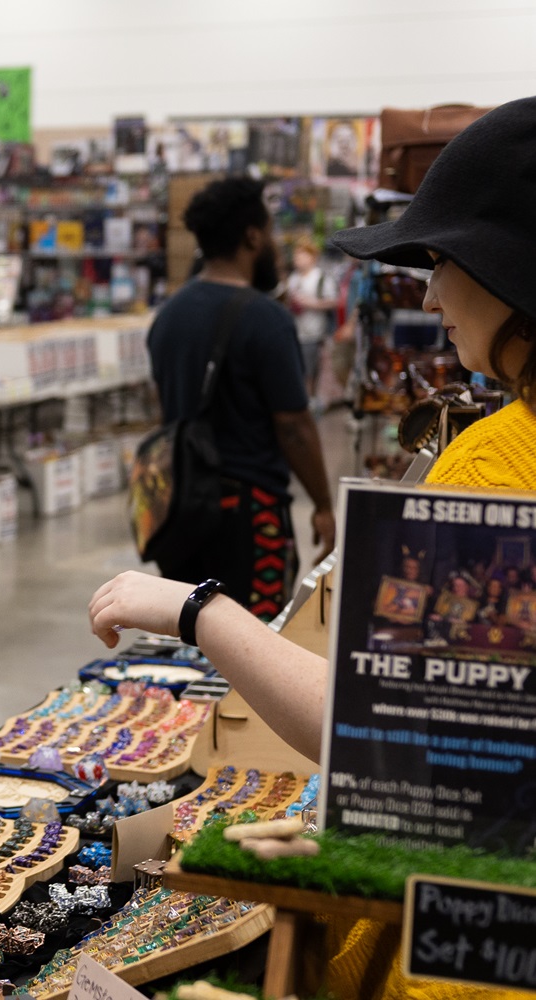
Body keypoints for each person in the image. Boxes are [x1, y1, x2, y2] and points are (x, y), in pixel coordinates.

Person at [90, 97, 536, 1000]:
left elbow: (382, 742)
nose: (429, 290)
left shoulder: (495, 469)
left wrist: (196, 611)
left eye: (442, 260)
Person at [145, 176, 336, 620]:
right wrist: (324, 505)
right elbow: (294, 427)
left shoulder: (168, 316)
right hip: (250, 519)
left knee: (189, 634)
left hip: (180, 513)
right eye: (268, 232)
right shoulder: (266, 319)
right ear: (252, 235)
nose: (272, 244)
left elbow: (166, 406)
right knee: (253, 644)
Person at [285, 238, 338, 411]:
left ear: (312, 257)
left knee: (309, 371)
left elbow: (333, 302)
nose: (297, 260)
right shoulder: (293, 279)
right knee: (297, 370)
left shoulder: (321, 278)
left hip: (314, 332)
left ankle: (306, 404)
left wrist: (311, 303)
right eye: (296, 256)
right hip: (295, 331)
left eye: (301, 256)